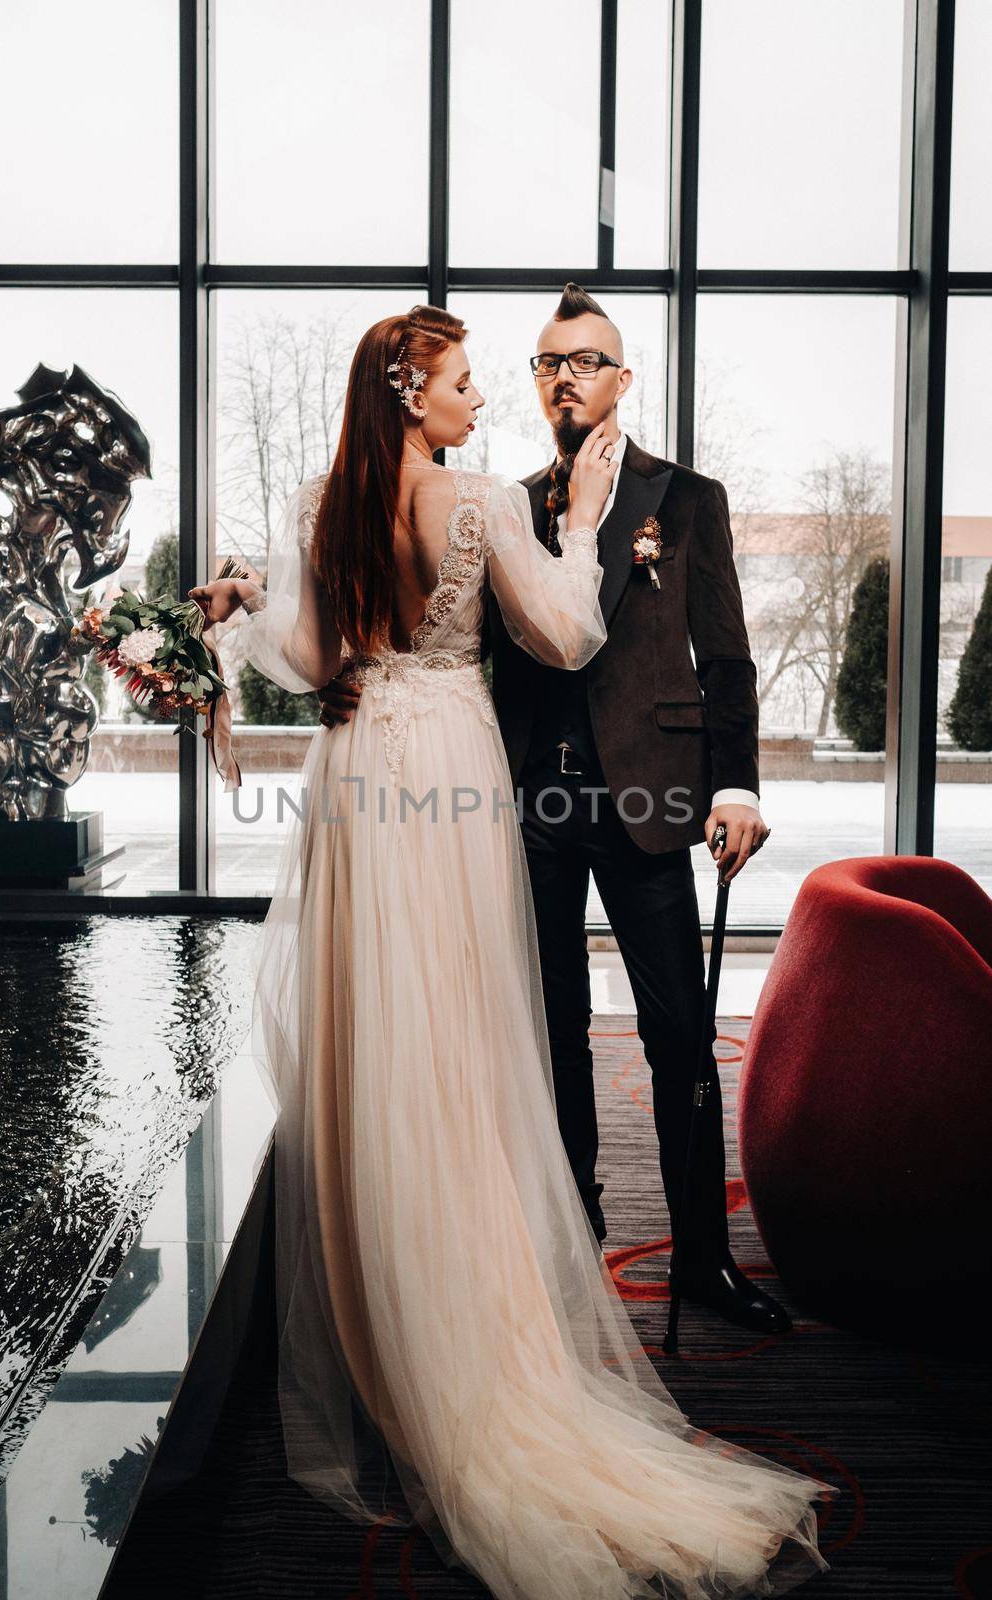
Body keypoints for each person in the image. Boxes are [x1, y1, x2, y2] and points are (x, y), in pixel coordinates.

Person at [191, 304, 837, 1600]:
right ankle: (469, 1349)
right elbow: (567, 635)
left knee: (379, 1054)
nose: (484, 399)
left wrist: (230, 622)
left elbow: (310, 659)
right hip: (453, 773)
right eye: (466, 380)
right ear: (412, 392)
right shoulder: (479, 499)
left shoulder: (328, 495)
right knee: (465, 1060)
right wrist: (589, 529)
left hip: (358, 775)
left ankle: (389, 1334)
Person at [321, 283, 785, 1336]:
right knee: (549, 1037)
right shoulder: (497, 497)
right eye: (544, 362)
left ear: (623, 379)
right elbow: (431, 627)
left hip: (649, 799)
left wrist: (733, 784)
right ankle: (570, 1247)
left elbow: (727, 656)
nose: (561, 375)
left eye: (583, 359)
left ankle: (702, 1261)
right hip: (521, 803)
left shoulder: (686, 497)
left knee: (677, 1035)